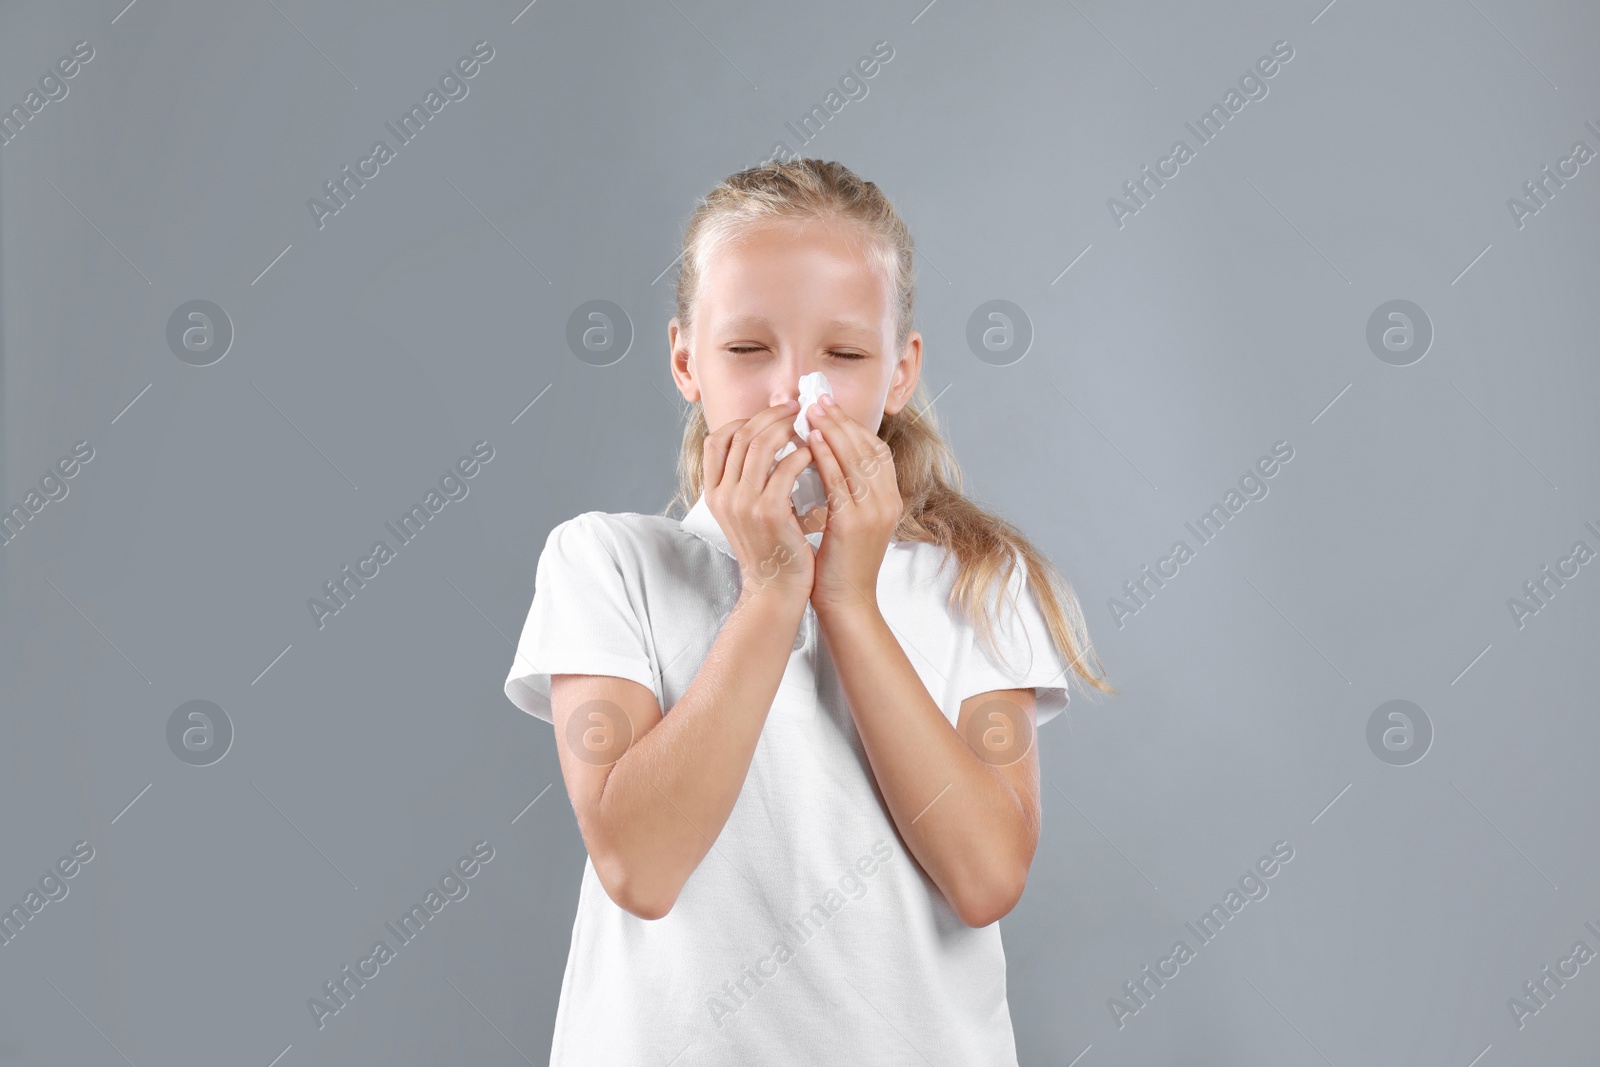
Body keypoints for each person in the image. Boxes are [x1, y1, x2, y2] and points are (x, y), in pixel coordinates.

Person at [503, 157, 1114, 1066]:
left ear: (900, 372)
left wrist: (850, 604)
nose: (797, 392)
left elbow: (987, 876)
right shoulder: (607, 562)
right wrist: (772, 588)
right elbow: (639, 861)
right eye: (749, 351)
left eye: (845, 354)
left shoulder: (977, 581)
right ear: (686, 361)